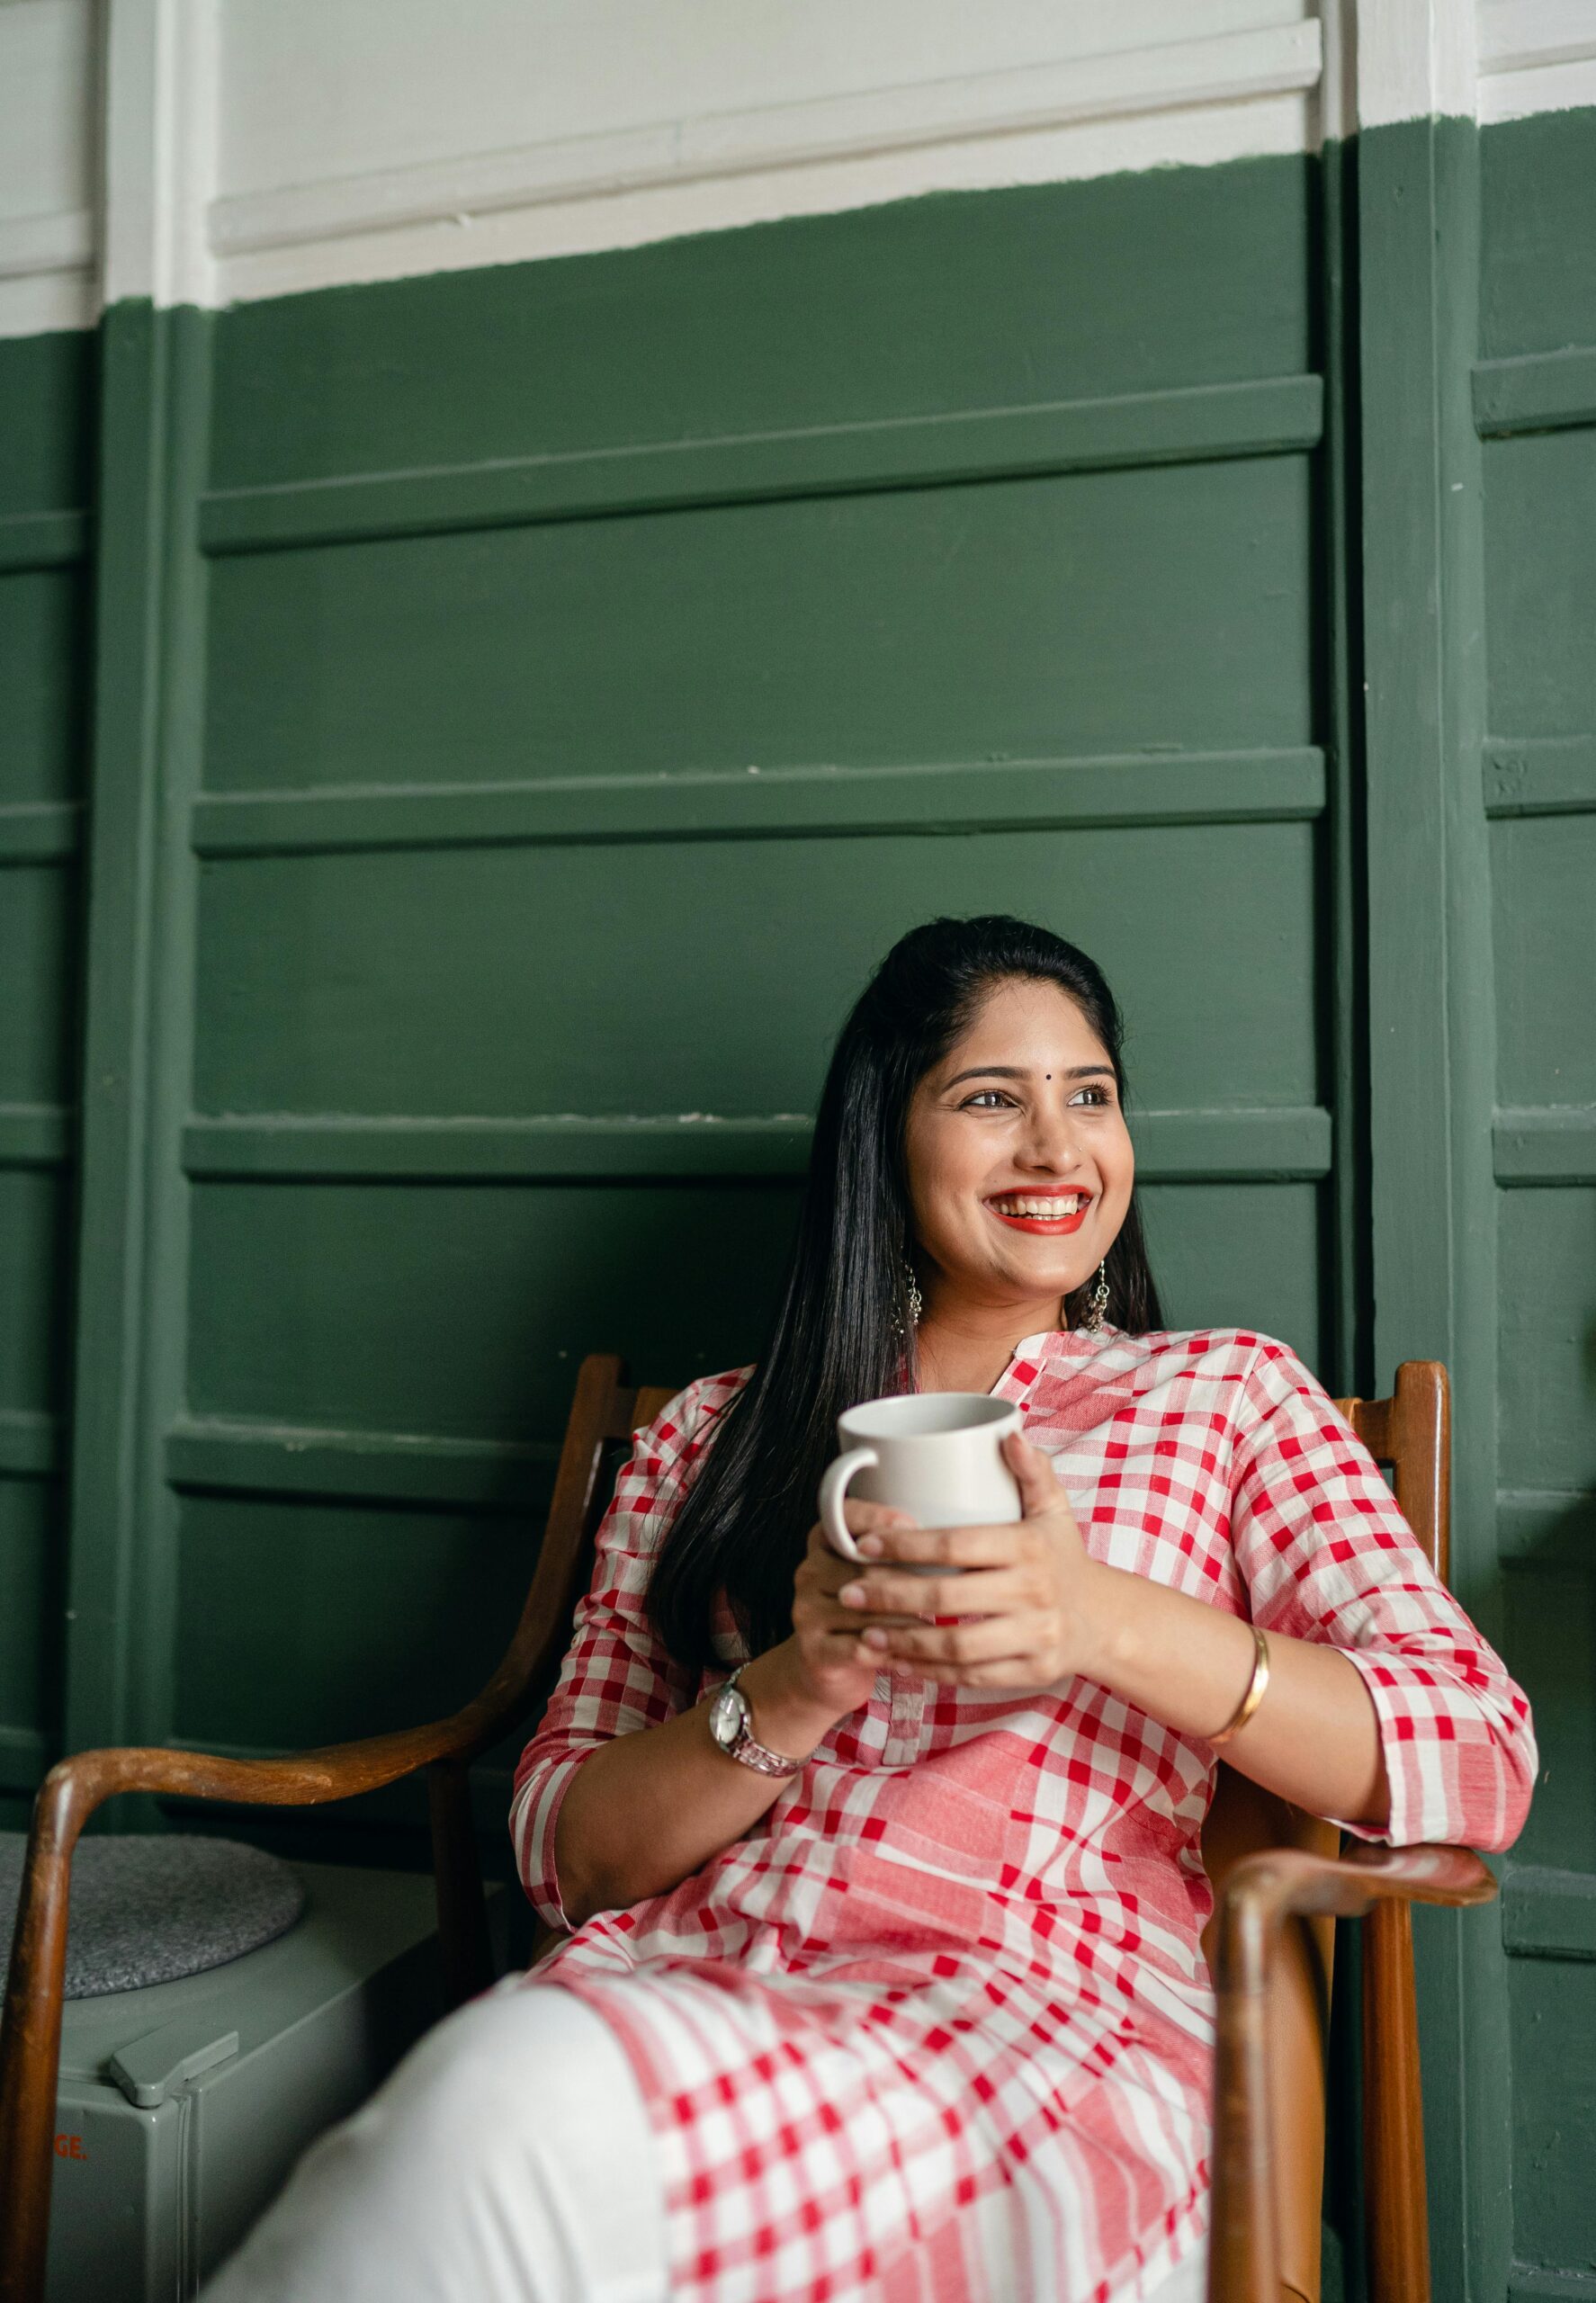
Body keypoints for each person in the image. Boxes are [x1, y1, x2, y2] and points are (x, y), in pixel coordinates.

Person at [206, 916, 1536, 2303]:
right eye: (986, 1099)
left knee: (502, 2106)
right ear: (882, 1143)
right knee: (497, 2098)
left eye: (1089, 1095)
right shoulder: (714, 1433)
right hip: (688, 1981)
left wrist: (1097, 1618)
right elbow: (568, 1860)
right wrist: (801, 1676)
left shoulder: (1226, 1397)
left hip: (1038, 2019)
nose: (1056, 1148)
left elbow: (1479, 1754)